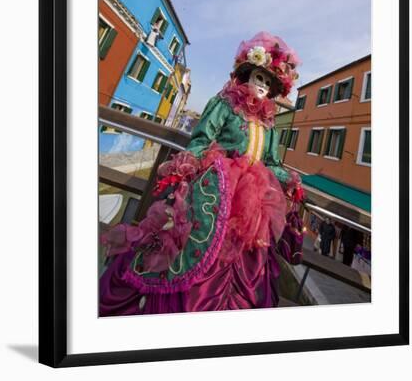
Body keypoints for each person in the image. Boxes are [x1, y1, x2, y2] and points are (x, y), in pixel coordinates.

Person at [99, 32, 306, 315]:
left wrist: (289, 179)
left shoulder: (269, 124)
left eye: (268, 82)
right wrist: (185, 165)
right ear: (248, 76)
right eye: (259, 77)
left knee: (247, 258)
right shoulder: (225, 104)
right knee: (193, 245)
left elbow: (270, 162)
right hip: (219, 186)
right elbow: (201, 140)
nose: (262, 85)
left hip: (254, 201)